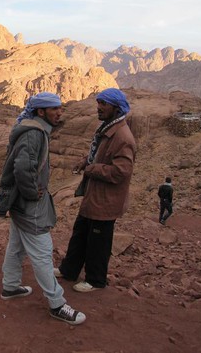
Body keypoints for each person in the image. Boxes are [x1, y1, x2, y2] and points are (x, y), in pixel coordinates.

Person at [0, 92, 86, 325]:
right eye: (54, 109)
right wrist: (30, 192)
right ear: (40, 112)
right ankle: (57, 305)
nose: (60, 113)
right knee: (43, 253)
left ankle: (10, 286)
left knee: (16, 246)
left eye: (60, 108)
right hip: (30, 206)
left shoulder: (34, 130)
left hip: (21, 205)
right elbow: (21, 167)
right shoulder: (34, 134)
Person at [55, 88, 136, 292]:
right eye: (98, 102)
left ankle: (95, 280)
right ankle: (69, 270)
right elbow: (100, 155)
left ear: (116, 108)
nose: (98, 108)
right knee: (80, 234)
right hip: (94, 196)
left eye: (103, 104)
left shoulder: (123, 137)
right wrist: (86, 161)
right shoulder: (107, 129)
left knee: (98, 242)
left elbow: (121, 171)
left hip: (106, 200)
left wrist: (91, 168)